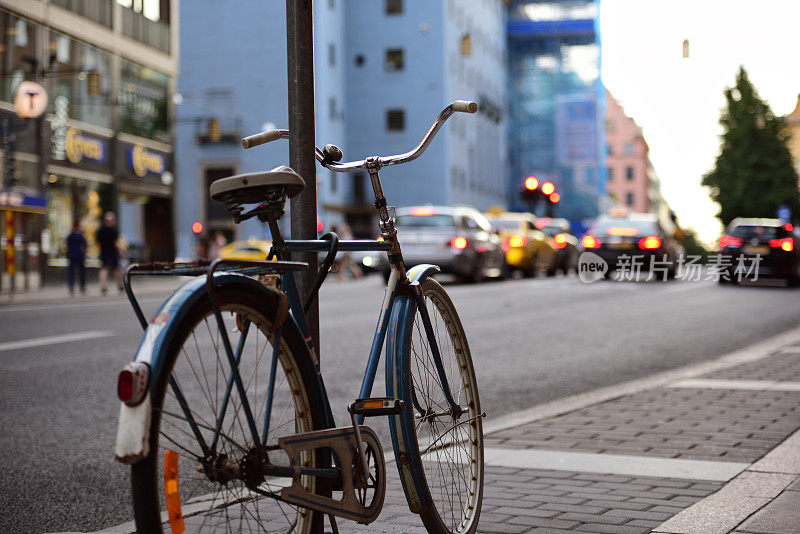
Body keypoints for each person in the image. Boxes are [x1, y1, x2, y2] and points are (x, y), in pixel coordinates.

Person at [97, 211, 123, 295]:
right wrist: (121, 251)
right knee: (116, 269)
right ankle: (120, 285)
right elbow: (116, 243)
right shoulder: (113, 231)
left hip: (103, 251)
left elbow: (98, 241)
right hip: (112, 252)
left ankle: (103, 286)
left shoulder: (100, 230)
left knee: (104, 269)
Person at [66, 222, 87, 295]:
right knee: (81, 273)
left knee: (72, 272)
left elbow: (67, 246)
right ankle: (82, 287)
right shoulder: (81, 236)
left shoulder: (70, 236)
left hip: (72, 256)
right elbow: (85, 246)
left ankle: (72, 287)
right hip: (79, 256)